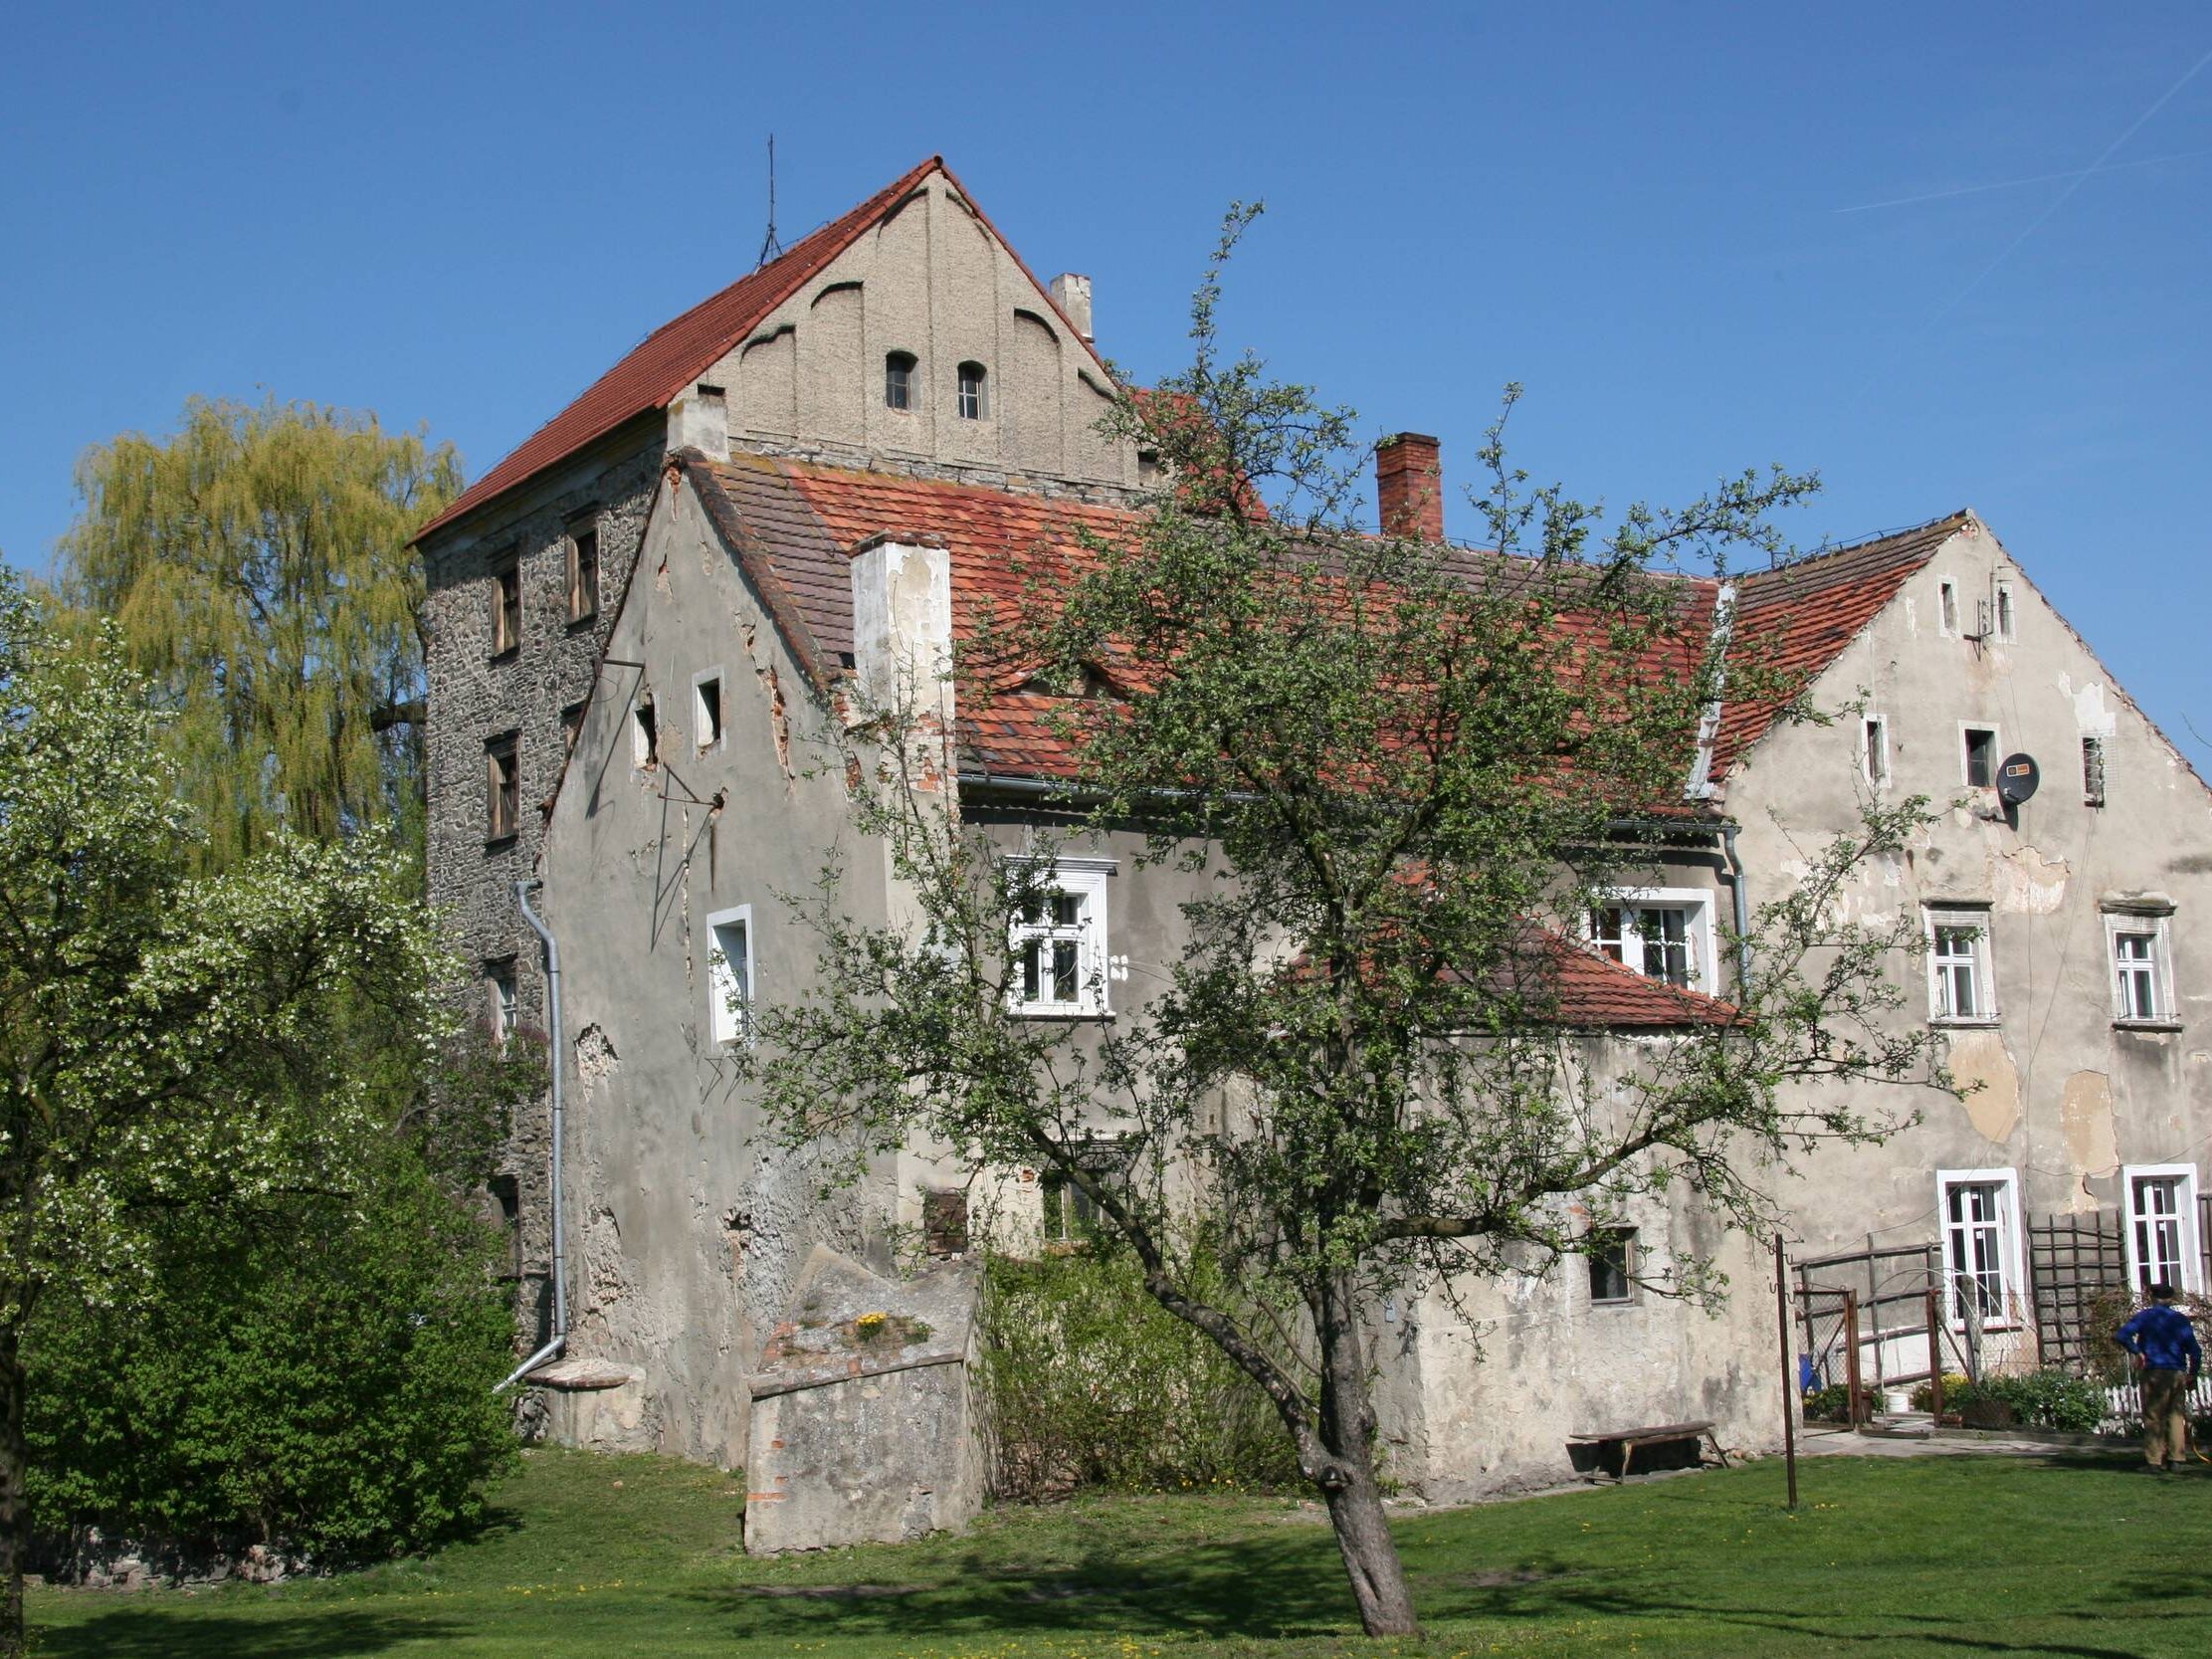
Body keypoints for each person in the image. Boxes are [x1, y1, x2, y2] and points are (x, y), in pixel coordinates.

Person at [2116, 1282, 2202, 1473]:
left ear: (2152, 1297)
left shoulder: (2145, 1317)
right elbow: (2195, 1351)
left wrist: (2137, 1351)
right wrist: (2193, 1374)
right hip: (2176, 1372)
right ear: (2171, 1299)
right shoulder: (2181, 1320)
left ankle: (2154, 1461)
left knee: (2154, 1416)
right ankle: (2177, 1459)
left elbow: (2122, 1335)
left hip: (2153, 1370)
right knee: (2176, 1415)